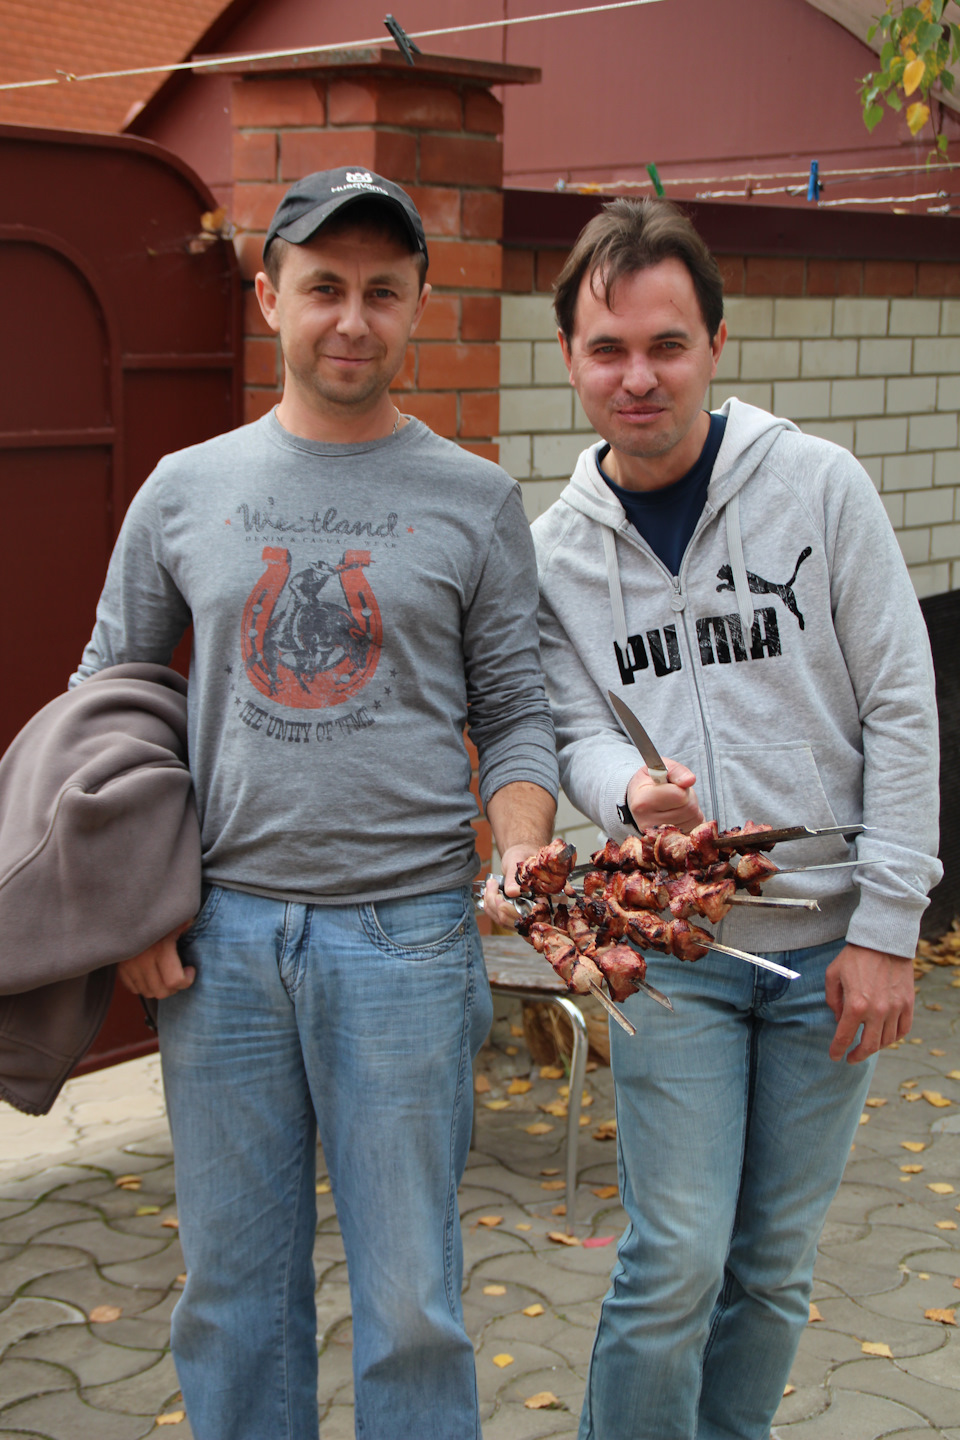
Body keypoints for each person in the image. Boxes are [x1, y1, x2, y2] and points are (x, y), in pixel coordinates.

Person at [71, 167, 558, 1440]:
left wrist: (520, 850)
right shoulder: (183, 489)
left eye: (382, 293)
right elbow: (110, 699)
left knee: (412, 1306)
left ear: (417, 309)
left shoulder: (476, 500)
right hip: (222, 943)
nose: (353, 319)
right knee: (234, 1299)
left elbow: (513, 715)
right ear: (269, 293)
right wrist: (132, 896)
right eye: (326, 288)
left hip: (407, 941)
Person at [530, 197, 941, 1440]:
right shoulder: (557, 550)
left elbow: (906, 711)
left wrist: (887, 926)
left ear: (716, 341)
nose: (637, 376)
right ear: (570, 359)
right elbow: (574, 727)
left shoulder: (818, 487)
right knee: (677, 1260)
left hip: (831, 953)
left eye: (665, 344)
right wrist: (623, 796)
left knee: (772, 1264)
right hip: (679, 952)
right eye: (608, 350)